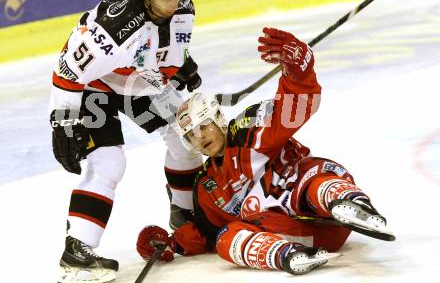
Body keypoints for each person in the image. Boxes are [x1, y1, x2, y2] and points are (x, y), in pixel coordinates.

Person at [136, 27, 395, 276]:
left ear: (219, 118)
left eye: (203, 125)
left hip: (313, 202)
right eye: (191, 135)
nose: (199, 136)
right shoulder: (207, 186)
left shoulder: (249, 129)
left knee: (310, 177)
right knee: (226, 238)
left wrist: (297, 69)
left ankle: (354, 206)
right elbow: (205, 233)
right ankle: (289, 256)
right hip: (299, 233)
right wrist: (171, 243)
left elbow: (295, 109)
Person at [50, 0, 204, 283]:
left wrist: (181, 65)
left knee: (185, 137)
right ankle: (77, 250)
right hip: (96, 87)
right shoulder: (114, 26)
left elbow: (168, 49)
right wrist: (62, 124)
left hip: (140, 82)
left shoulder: (184, 9)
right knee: (109, 163)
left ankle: (186, 215)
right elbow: (68, 71)